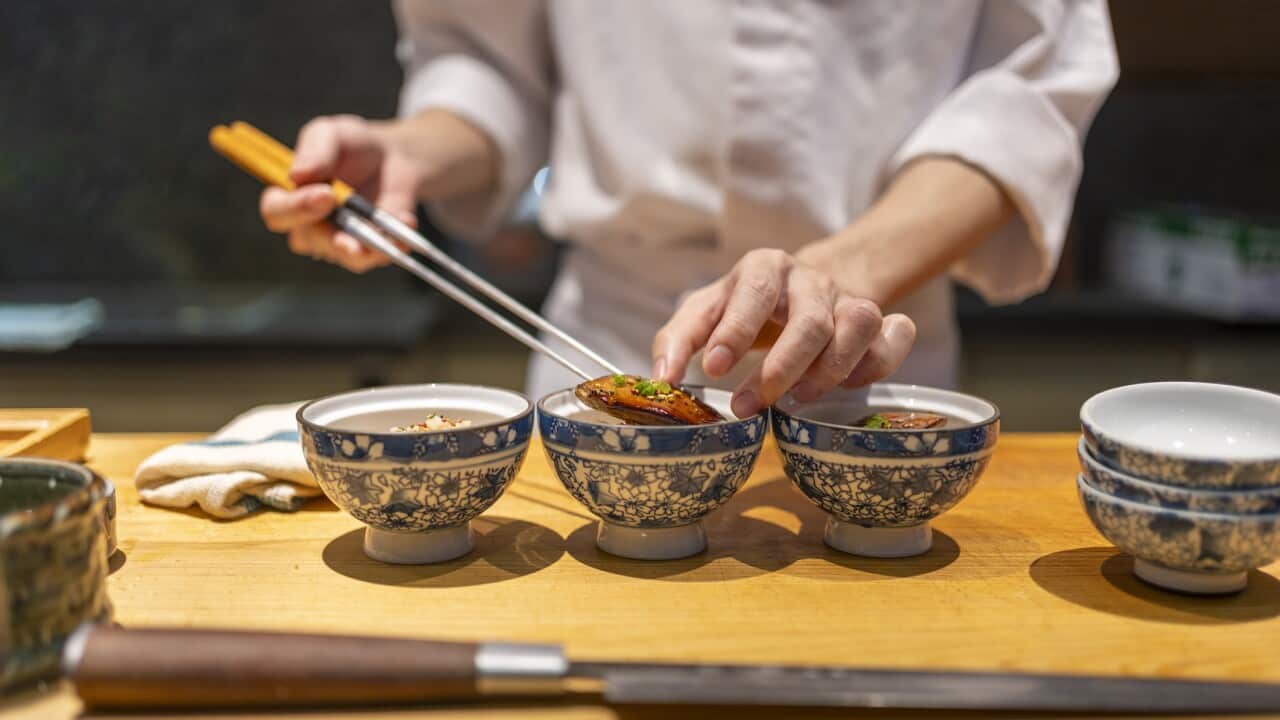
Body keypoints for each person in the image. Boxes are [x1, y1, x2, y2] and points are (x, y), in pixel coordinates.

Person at [260, 1, 1118, 417]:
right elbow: (490, 59)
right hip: (607, 353)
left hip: (873, 357)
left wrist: (841, 275)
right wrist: (417, 149)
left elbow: (1031, 86)